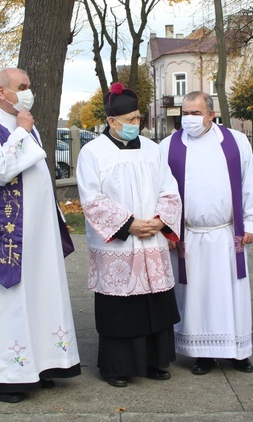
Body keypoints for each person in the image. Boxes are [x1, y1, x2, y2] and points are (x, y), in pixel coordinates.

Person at [0, 68, 80, 404]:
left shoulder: (22, 120)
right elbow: (0, 169)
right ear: (1, 91)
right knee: (5, 303)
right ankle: (1, 376)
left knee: (38, 296)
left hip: (35, 234)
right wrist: (22, 133)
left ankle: (39, 365)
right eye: (22, 87)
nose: (29, 92)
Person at [77, 82, 182, 388]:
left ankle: (155, 360)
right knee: (121, 308)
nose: (138, 124)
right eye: (132, 120)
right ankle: (118, 366)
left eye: (139, 118)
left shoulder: (153, 149)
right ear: (112, 121)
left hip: (153, 237)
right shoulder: (93, 153)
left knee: (155, 301)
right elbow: (92, 199)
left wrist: (161, 221)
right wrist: (129, 224)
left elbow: (169, 188)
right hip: (120, 243)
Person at [159, 91, 253, 375]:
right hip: (189, 236)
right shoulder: (169, 145)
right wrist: (167, 230)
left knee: (231, 293)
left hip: (226, 235)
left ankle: (238, 352)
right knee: (196, 296)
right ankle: (201, 354)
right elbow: (159, 191)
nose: (189, 119)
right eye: (185, 113)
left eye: (195, 113)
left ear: (211, 114)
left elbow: (250, 182)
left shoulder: (234, 141)